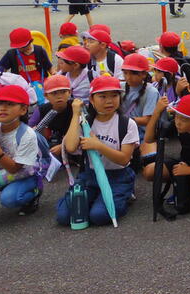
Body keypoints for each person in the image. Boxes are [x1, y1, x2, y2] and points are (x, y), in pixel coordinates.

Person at [56, 77, 138, 226]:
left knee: (98, 216)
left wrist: (98, 145)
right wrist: (75, 114)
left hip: (118, 176)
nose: (109, 101)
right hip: (90, 176)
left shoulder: (127, 124)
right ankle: (96, 198)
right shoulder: (86, 121)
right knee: (64, 216)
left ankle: (125, 194)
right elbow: (70, 147)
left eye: (114, 95)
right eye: (103, 96)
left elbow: (124, 159)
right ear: (91, 99)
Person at [0, 85, 41, 215]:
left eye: (10, 104)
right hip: (0, 174)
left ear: (23, 110)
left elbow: (15, 168)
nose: (2, 108)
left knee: (9, 199)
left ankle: (34, 192)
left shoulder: (27, 134)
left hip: (23, 175)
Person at [29, 74, 74, 158]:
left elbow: (83, 133)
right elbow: (28, 130)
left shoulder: (75, 107)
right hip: (49, 149)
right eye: (54, 93)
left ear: (70, 92)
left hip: (73, 147)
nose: (59, 96)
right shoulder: (41, 110)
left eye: (63, 92)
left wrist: (62, 146)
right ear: (46, 96)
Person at [121, 54, 160, 142]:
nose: (128, 77)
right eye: (125, 73)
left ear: (144, 74)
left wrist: (121, 120)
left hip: (141, 134)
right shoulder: (119, 87)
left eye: (133, 73)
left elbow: (147, 120)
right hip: (122, 129)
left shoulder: (151, 92)